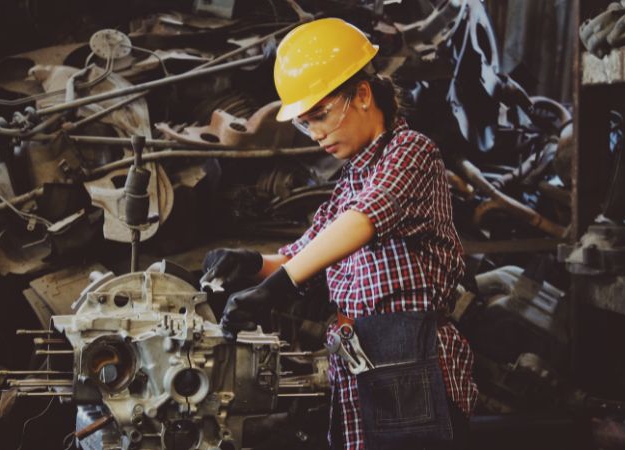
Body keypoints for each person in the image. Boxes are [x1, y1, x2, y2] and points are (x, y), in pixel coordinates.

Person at [200, 18, 477, 450]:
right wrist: (250, 263)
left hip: (411, 363)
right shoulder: (350, 181)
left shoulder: (412, 153)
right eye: (306, 123)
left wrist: (276, 287)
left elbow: (362, 222)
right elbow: (305, 252)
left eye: (322, 114)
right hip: (364, 362)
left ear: (363, 95)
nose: (316, 134)